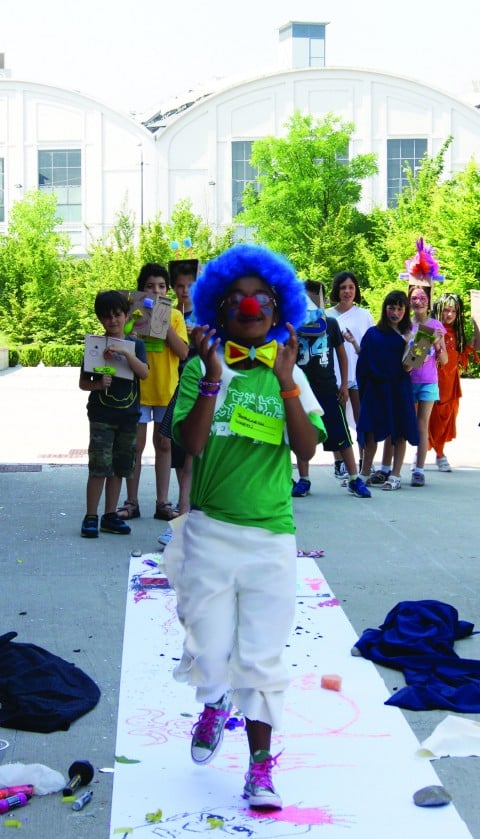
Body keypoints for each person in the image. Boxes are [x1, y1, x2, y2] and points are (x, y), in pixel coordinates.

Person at [163, 244, 325, 810]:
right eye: (237, 298)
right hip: (209, 530)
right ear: (219, 310)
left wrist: (286, 384)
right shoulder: (202, 369)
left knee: (259, 657)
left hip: (271, 536)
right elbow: (192, 444)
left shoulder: (292, 374)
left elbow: (306, 450)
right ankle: (213, 702)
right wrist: (212, 376)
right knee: (208, 650)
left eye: (262, 297)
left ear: (279, 311)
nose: (250, 305)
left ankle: (260, 767)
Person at [117, 263, 188, 521]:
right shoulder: (132, 314)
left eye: (161, 286)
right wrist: (132, 328)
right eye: (149, 286)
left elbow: (183, 353)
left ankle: (162, 503)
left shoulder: (176, 317)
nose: (156, 291)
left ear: (167, 290)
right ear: (141, 289)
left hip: (165, 391)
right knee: (135, 445)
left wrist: (163, 323)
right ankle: (131, 502)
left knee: (164, 444)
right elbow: (118, 340)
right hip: (137, 389)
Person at [79, 290, 148, 538]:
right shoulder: (94, 347)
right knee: (99, 467)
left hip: (128, 416)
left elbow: (144, 373)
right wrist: (98, 384)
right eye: (106, 317)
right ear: (100, 319)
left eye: (117, 315)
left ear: (126, 315)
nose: (113, 320)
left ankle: (110, 515)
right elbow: (83, 383)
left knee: (120, 468)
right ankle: (91, 516)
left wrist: (127, 354)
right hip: (101, 416)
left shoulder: (136, 345)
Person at [293, 280, 371, 499]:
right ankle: (304, 479)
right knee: (301, 434)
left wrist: (344, 384)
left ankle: (354, 478)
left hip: (328, 387)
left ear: (322, 300)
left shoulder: (331, 323)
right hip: (301, 389)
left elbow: (342, 355)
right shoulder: (293, 323)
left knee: (341, 434)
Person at [356, 290, 419, 491]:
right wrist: (364, 391)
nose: (395, 312)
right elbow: (363, 365)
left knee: (399, 432)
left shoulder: (414, 335)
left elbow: (410, 366)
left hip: (399, 388)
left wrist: (409, 342)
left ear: (405, 310)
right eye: (392, 307)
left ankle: (396, 474)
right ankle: (365, 473)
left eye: (400, 308)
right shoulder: (373, 333)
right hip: (375, 388)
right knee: (371, 431)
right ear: (385, 309)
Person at [326, 270, 374, 477]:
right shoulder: (326, 315)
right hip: (331, 377)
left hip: (357, 376)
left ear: (356, 290)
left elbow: (370, 347)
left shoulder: (364, 315)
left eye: (351, 287)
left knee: (361, 419)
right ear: (337, 290)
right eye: (343, 287)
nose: (347, 291)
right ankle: (340, 462)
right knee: (337, 421)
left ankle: (364, 461)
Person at [160, 259, 198, 515]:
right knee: (177, 446)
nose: (185, 291)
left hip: (200, 386)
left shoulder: (207, 314)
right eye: (180, 286)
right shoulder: (170, 314)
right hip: (175, 386)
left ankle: (192, 502)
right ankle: (182, 501)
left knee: (195, 451)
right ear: (173, 288)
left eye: (191, 285)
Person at [428, 293, 479, 471]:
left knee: (445, 420)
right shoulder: (429, 328)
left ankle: (438, 452)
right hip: (429, 382)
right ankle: (433, 454)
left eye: (453, 311)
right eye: (446, 310)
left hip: (450, 385)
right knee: (427, 420)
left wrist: (477, 324)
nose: (449, 315)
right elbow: (415, 357)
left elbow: (472, 347)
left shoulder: (458, 334)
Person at [408, 285, 447, 486]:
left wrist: (438, 343)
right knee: (403, 423)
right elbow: (411, 359)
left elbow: (445, 360)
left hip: (428, 382)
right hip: (407, 381)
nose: (418, 301)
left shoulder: (436, 325)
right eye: (414, 297)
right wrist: (419, 348)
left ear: (428, 301)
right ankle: (390, 467)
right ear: (409, 301)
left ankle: (419, 470)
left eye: (422, 297)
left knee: (422, 425)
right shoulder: (405, 325)